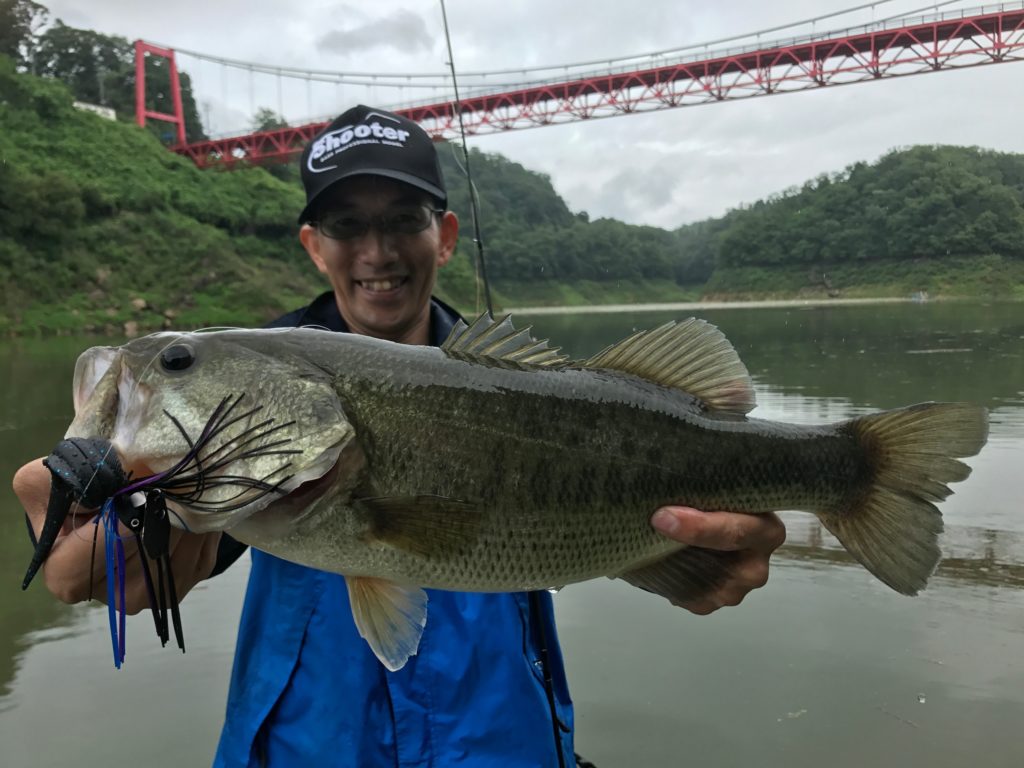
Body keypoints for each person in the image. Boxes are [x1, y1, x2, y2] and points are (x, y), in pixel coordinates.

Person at [13, 104, 786, 767]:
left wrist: (689, 561)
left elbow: (595, 524)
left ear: (443, 234)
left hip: (504, 740)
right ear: (313, 244)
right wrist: (134, 549)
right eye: (348, 225)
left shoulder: (535, 388)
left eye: (402, 221)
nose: (377, 251)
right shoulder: (257, 393)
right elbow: (178, 553)